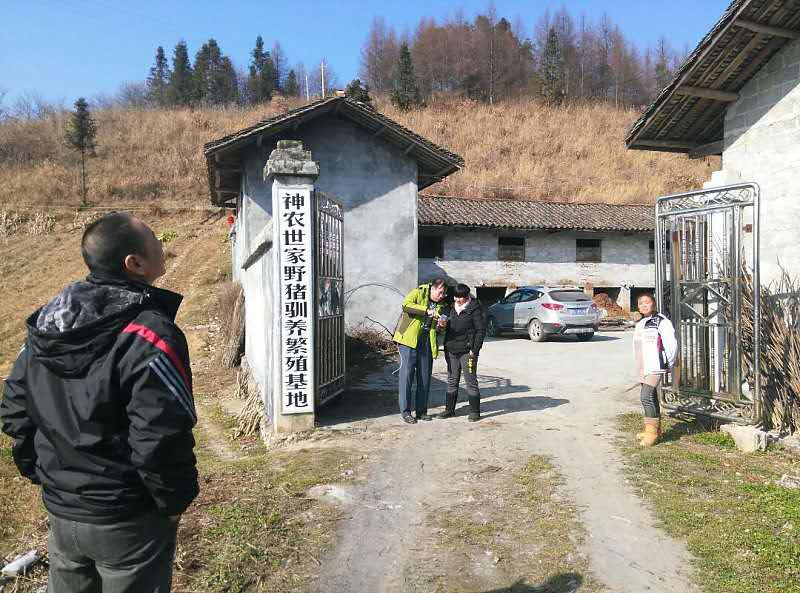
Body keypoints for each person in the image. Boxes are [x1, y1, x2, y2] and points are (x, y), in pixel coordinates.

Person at [0, 212, 198, 593]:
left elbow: (14, 410)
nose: (164, 246)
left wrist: (46, 477)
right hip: (127, 518)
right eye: (156, 240)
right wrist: (175, 500)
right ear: (134, 264)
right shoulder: (150, 333)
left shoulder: (48, 324)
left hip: (63, 512)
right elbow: (161, 433)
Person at [392, 278, 447, 424]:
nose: (441, 296)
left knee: (424, 378)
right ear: (433, 288)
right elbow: (406, 305)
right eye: (440, 292)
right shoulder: (418, 292)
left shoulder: (440, 304)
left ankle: (422, 411)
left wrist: (442, 325)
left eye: (443, 294)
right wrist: (426, 310)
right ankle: (406, 412)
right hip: (408, 340)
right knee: (407, 377)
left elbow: (436, 328)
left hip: (426, 342)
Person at [632, 292, 678, 447]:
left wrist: (667, 363)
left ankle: (652, 433)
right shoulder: (641, 322)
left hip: (655, 365)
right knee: (651, 396)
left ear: (654, 303)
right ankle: (653, 430)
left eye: (647, 302)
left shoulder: (661, 322)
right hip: (643, 366)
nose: (644, 305)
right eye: (640, 303)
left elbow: (671, 345)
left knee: (645, 396)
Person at [439, 284, 486, 422]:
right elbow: (443, 325)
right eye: (455, 297)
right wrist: (441, 325)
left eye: (459, 298)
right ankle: (449, 410)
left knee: (470, 381)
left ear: (466, 297)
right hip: (451, 349)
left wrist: (474, 350)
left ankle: (474, 412)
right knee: (452, 379)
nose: (456, 300)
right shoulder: (450, 308)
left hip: (467, 351)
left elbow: (480, 331)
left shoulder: (475, 309)